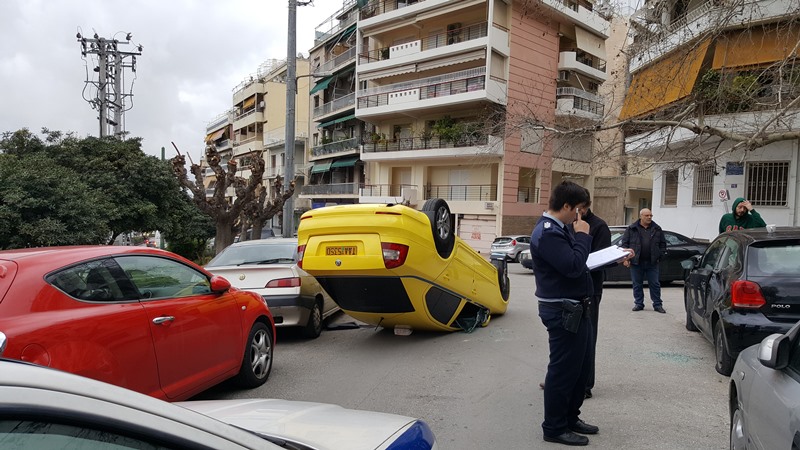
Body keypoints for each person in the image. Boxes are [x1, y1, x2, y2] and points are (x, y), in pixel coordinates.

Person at [530, 181, 598, 446]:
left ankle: (570, 417)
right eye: (578, 210)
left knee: (579, 369)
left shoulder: (560, 228)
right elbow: (571, 266)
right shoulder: (548, 232)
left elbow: (576, 263)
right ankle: (554, 427)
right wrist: (582, 236)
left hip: (577, 306)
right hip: (562, 309)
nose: (580, 216)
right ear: (567, 206)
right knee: (563, 371)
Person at [575, 193, 611, 400]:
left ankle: (586, 384)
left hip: (590, 287)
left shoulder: (598, 226)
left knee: (588, 337)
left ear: (587, 207)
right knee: (568, 336)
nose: (576, 213)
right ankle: (565, 378)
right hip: (570, 286)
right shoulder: (568, 222)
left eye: (580, 208)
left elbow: (602, 258)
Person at [621, 208, 667, 313]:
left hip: (652, 262)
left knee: (655, 284)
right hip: (636, 262)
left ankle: (657, 304)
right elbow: (625, 245)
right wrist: (626, 258)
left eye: (651, 215)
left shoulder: (657, 229)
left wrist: (660, 256)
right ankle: (638, 303)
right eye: (647, 215)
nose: (649, 217)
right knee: (637, 284)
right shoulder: (631, 229)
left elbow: (663, 245)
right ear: (641, 216)